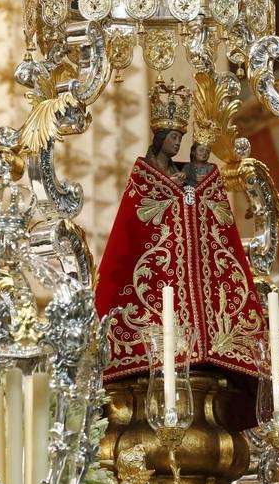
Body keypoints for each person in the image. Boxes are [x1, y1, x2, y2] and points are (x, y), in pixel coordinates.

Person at [95, 79, 266, 383]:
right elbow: (130, 241)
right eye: (173, 136)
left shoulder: (186, 176)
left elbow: (199, 208)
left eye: (181, 137)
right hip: (156, 311)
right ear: (160, 138)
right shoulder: (146, 178)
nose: (178, 143)